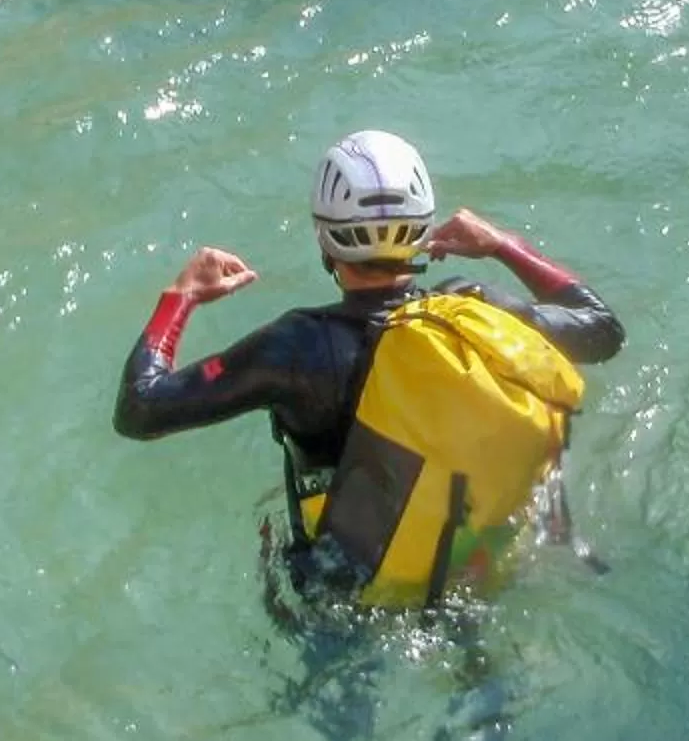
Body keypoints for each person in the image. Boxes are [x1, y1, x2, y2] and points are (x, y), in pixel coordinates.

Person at [114, 130, 624, 612]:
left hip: (345, 587)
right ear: (423, 229)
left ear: (324, 238)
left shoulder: (296, 348)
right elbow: (601, 327)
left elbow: (139, 408)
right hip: (462, 562)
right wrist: (501, 244)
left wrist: (180, 298)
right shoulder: (473, 310)